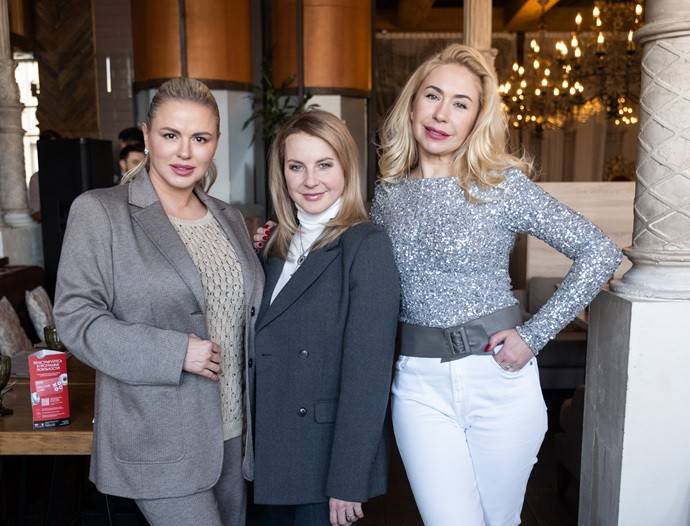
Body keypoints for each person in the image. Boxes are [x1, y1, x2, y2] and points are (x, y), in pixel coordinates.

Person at [369, 44, 623, 526]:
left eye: (460, 104)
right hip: (419, 386)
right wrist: (282, 241)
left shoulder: (500, 186)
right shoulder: (388, 196)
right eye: (432, 96)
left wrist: (533, 336)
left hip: (499, 379)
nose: (441, 114)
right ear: (412, 103)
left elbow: (599, 252)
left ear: (476, 120)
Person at [54, 78, 264, 526]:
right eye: (171, 135)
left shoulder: (229, 218)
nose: (184, 152)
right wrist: (175, 352)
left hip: (233, 435)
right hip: (159, 436)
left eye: (200, 138)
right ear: (147, 135)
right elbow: (76, 319)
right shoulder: (101, 212)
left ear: (215, 143)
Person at [251, 109, 400, 526]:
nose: (310, 180)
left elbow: (368, 375)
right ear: (281, 173)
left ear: (346, 168)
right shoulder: (274, 245)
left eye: (324, 165)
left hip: (321, 460)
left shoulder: (366, 245)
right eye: (296, 167)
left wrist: (349, 478)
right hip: (267, 450)